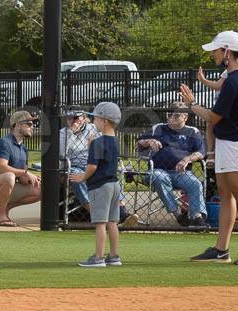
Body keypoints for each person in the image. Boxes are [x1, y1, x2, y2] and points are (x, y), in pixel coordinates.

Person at [180, 30, 238, 265]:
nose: (213, 54)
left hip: (236, 144)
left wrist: (192, 104)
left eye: (217, 50)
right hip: (231, 140)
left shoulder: (235, 81)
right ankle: (221, 249)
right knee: (226, 194)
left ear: (227, 52)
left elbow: (213, 117)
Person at [136, 103, 208, 227]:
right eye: (170, 114)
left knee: (195, 183)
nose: (171, 118)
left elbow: (201, 152)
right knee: (159, 177)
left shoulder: (192, 132)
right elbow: (139, 143)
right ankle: (178, 214)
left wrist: (187, 159)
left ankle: (197, 217)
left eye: (176, 115)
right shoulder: (158, 128)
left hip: (181, 172)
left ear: (185, 117)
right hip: (158, 170)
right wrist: (149, 141)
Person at [60, 111, 137, 226]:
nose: (72, 121)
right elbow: (61, 155)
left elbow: (105, 148)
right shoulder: (64, 133)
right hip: (74, 165)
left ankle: (122, 213)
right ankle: (100, 217)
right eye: (70, 118)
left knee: (109, 175)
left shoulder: (94, 129)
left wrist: (93, 147)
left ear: (84, 118)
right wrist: (71, 133)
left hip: (95, 163)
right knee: (75, 177)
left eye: (76, 118)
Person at [70, 102, 124, 267]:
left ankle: (98, 257)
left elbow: (92, 166)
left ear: (105, 121)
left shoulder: (97, 142)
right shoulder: (115, 141)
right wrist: (91, 145)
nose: (94, 121)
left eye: (96, 118)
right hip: (114, 185)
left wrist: (82, 177)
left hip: (100, 186)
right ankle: (114, 256)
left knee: (100, 223)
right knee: (113, 222)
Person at [0, 109, 41, 227]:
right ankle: (0, 217)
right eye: (30, 124)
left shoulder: (24, 149)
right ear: (18, 125)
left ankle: (4, 210)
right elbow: (0, 168)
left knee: (40, 189)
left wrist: (31, 178)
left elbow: (21, 177)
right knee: (9, 177)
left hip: (6, 186)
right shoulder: (4, 143)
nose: (33, 127)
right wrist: (25, 172)